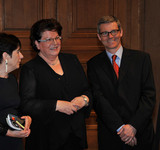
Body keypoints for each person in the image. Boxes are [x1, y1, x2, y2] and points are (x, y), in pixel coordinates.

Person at [19, 18, 92, 150]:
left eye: (57, 38)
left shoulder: (72, 60)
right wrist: (57, 105)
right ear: (37, 44)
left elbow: (88, 90)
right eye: (48, 39)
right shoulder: (30, 69)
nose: (55, 43)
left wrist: (84, 99)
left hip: (75, 137)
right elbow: (27, 104)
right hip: (46, 139)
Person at [87, 15, 156, 150]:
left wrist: (132, 127)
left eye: (114, 31)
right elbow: (99, 100)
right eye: (105, 33)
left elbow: (149, 97)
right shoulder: (93, 64)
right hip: (111, 135)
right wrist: (121, 128)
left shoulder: (141, 59)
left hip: (140, 134)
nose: (110, 36)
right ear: (99, 37)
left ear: (121, 32)